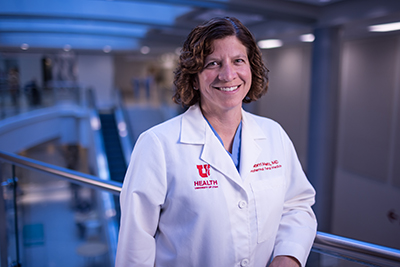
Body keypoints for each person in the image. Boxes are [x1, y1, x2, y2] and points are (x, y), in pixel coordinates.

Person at [116, 17, 317, 267]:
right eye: (213, 63)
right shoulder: (157, 145)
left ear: (251, 68)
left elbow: (297, 205)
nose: (228, 74)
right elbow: (136, 245)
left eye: (238, 61)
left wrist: (288, 256)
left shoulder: (274, 134)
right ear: (194, 76)